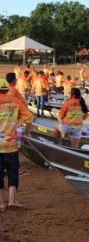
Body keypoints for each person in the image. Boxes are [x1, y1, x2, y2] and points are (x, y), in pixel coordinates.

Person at [0, 79, 33, 210]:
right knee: (13, 171)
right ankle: (12, 200)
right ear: (6, 89)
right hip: (11, 144)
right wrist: (21, 127)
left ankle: (1, 203)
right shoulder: (15, 101)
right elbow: (29, 117)